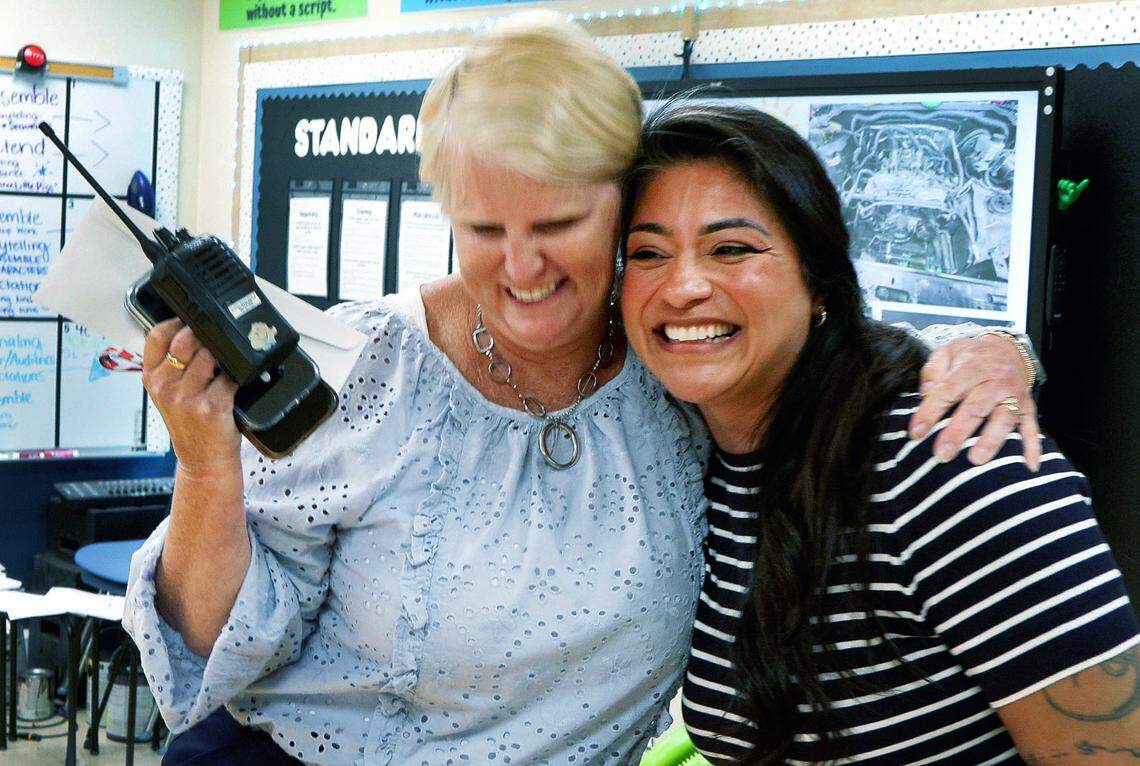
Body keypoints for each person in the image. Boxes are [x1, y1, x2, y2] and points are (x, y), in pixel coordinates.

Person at [123, 15, 1037, 766]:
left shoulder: (676, 357)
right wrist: (209, 471)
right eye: (484, 228)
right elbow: (216, 652)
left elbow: (819, 329)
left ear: (625, 200)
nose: (521, 268)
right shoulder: (369, 367)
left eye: (559, 222)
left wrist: (1001, 348)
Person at [619, 100, 1140, 765]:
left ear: (819, 280)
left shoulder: (951, 461)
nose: (684, 285)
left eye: (732, 248)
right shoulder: (685, 463)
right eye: (647, 253)